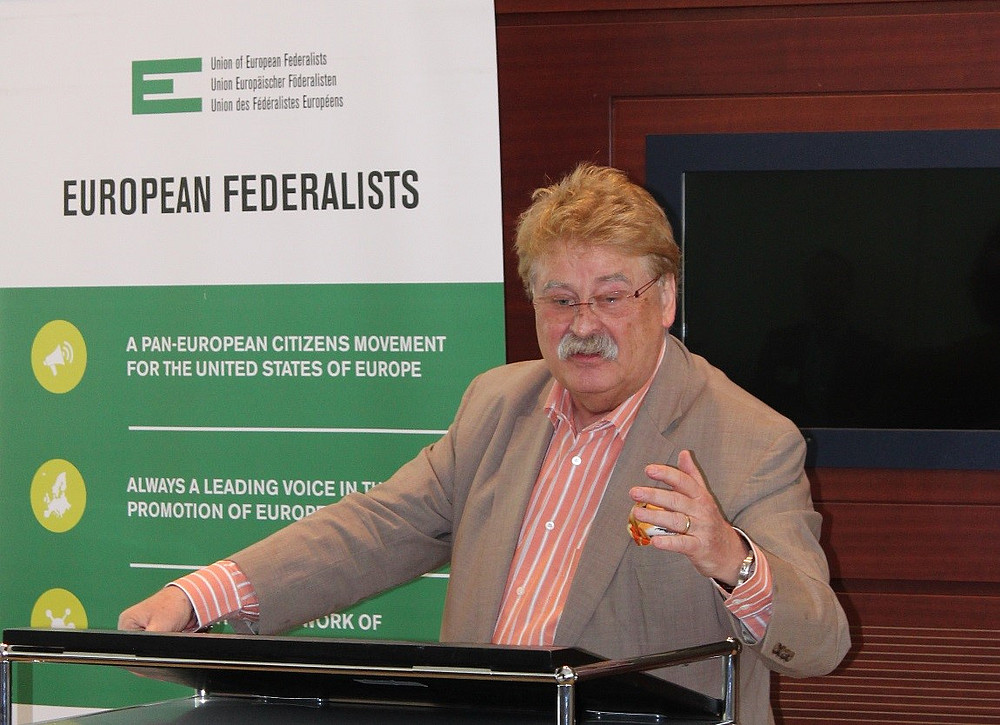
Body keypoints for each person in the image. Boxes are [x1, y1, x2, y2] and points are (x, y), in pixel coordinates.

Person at [120, 163, 850, 723]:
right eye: (560, 299)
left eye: (610, 296)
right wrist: (199, 596)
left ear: (663, 299)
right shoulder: (497, 405)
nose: (583, 324)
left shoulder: (751, 440)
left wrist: (732, 560)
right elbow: (376, 528)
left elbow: (820, 643)